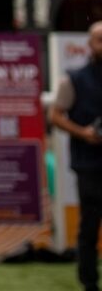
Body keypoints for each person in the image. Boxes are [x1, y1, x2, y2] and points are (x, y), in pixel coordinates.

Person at [49, 21, 102, 291]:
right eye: (99, 40)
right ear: (89, 45)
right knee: (89, 226)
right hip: (90, 163)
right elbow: (55, 115)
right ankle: (89, 283)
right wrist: (83, 133)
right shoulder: (75, 78)